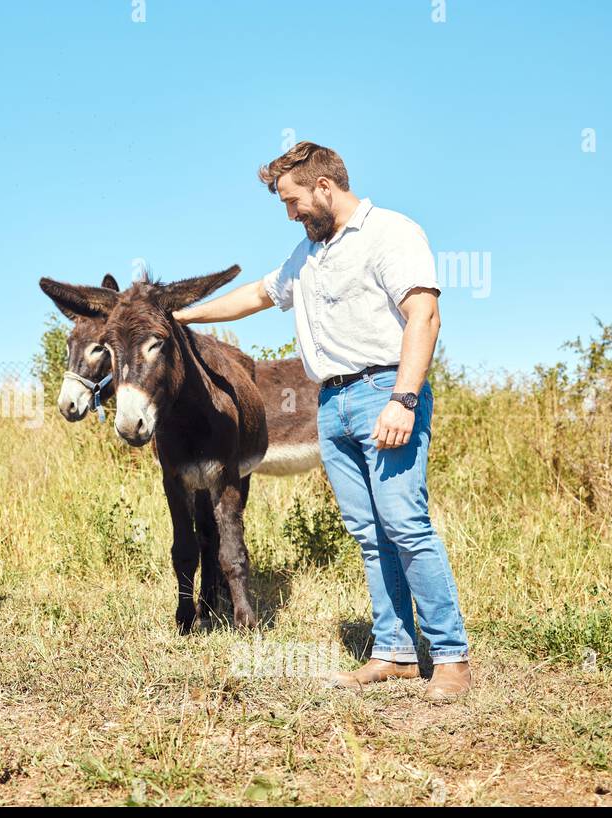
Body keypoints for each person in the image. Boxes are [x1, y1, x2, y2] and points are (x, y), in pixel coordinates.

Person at [174, 141, 470, 701]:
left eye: (292, 201)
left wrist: (403, 400)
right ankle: (395, 652)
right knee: (369, 533)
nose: (290, 214)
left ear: (325, 188)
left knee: (405, 523)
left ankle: (451, 656)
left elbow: (424, 315)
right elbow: (257, 295)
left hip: (384, 389)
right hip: (330, 403)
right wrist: (180, 315)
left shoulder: (391, 233)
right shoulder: (308, 255)